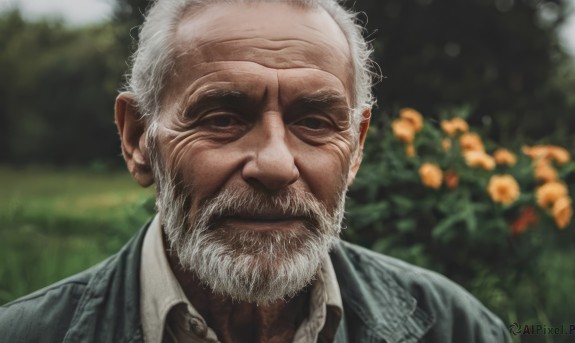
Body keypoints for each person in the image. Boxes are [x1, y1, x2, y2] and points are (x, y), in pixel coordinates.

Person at [0, 0, 510, 342]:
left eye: (313, 122)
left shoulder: (455, 327)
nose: (275, 164)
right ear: (137, 139)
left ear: (354, 148)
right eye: (222, 118)